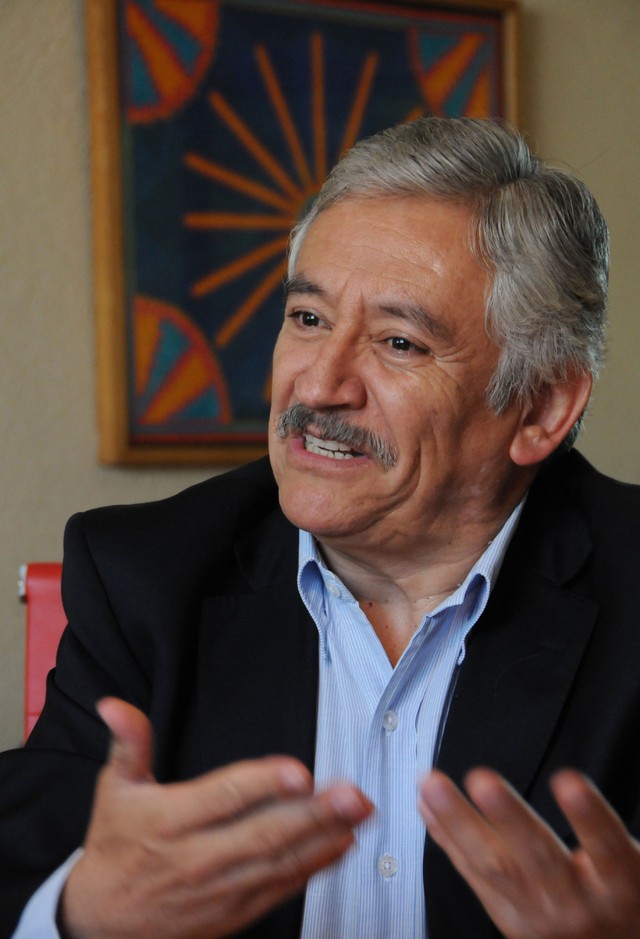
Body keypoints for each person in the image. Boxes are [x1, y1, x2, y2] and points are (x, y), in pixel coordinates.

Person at [3, 116, 640, 939]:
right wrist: (80, 913)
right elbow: (21, 866)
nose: (319, 385)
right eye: (307, 318)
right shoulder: (145, 578)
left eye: (399, 342)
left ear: (542, 407)